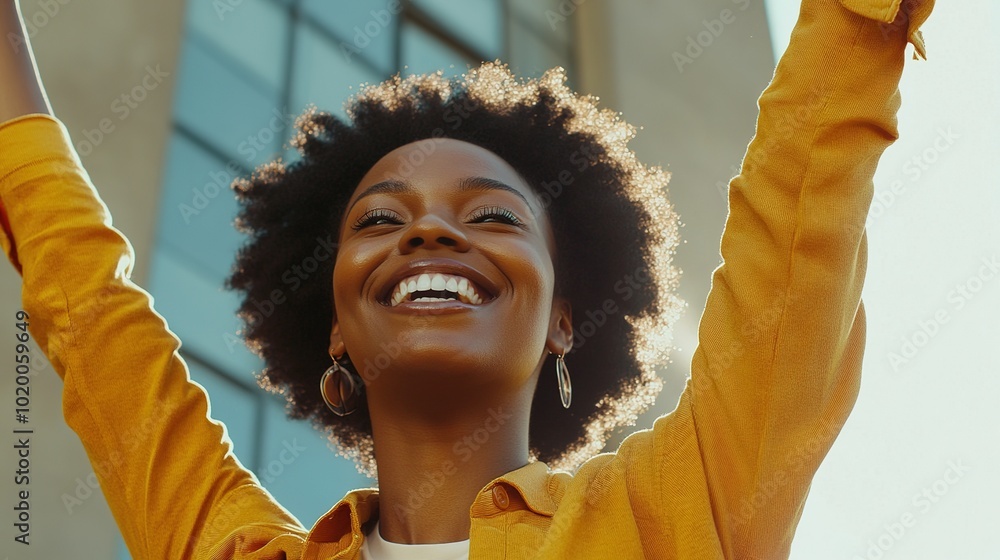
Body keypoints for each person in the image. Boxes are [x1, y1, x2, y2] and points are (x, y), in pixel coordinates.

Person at [0, 0, 934, 558]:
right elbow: (83, 296)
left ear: (566, 318)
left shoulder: (668, 517)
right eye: (380, 220)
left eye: (490, 216)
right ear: (332, 327)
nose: (430, 234)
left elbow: (800, 210)